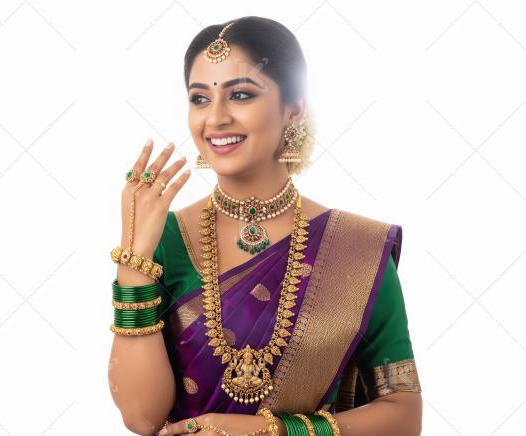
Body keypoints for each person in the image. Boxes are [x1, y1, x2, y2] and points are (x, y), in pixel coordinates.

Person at [108, 16, 422, 436]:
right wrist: (132, 261)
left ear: (293, 109)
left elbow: (404, 414)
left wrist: (274, 432)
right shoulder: (162, 240)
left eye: (239, 94)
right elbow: (142, 418)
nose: (215, 119)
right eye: (199, 99)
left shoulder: (356, 250)